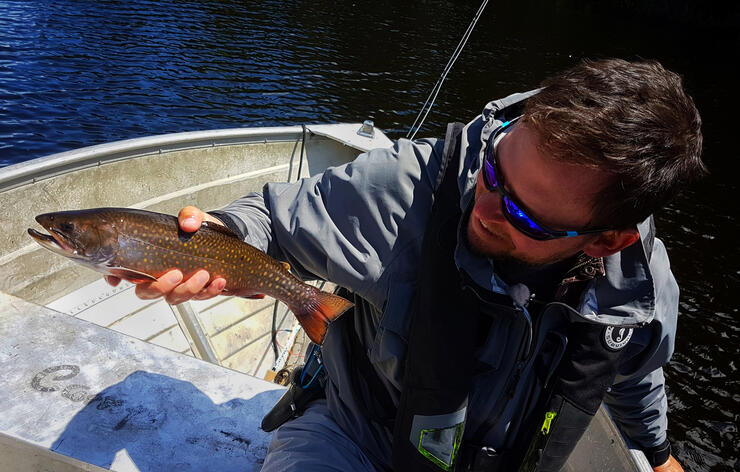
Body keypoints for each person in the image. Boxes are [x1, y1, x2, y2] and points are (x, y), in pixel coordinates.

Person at [106, 58, 704, 471]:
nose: (484, 206)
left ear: (604, 242)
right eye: (494, 170)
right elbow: (271, 219)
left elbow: (630, 373)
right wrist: (216, 240)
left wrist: (655, 454)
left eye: (523, 214)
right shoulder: (407, 189)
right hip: (353, 440)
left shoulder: (642, 290)